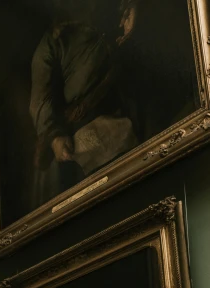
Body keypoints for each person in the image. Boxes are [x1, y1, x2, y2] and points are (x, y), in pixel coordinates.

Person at [29, 0, 139, 207]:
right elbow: (41, 98)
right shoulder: (51, 43)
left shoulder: (109, 14)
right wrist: (54, 136)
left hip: (123, 115)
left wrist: (133, 9)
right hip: (77, 130)